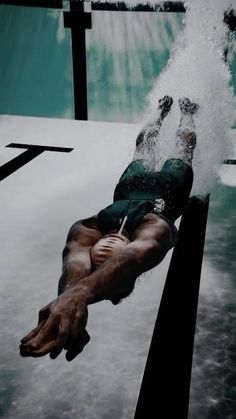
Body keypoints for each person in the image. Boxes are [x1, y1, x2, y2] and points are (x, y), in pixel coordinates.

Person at [20, 96, 198, 361]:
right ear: (126, 274)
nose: (103, 258)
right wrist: (81, 294)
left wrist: (69, 296)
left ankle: (159, 115)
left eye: (97, 264)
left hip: (128, 188)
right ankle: (188, 113)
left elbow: (75, 262)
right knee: (183, 146)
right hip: (170, 189)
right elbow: (137, 256)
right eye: (111, 264)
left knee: (143, 146)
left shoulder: (91, 228)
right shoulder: (156, 232)